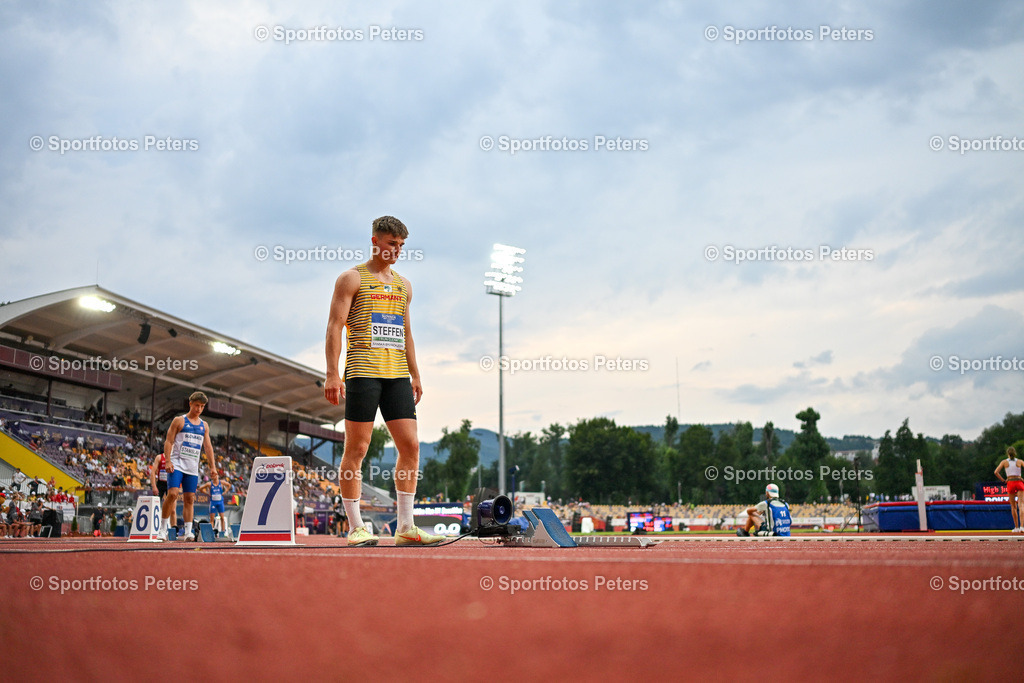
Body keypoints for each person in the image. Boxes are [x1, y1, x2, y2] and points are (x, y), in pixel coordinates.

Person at [324, 215, 443, 547]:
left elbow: (406, 332)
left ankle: (405, 525)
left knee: (411, 446)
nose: (397, 250)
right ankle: (356, 526)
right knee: (358, 448)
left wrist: (415, 373)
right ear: (375, 240)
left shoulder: (404, 285)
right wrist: (333, 373)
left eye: (402, 245)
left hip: (397, 376)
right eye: (392, 243)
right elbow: (334, 326)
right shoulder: (351, 279)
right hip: (362, 371)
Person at [157, 391, 219, 542]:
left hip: (192, 467)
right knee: (172, 494)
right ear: (190, 404)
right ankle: (162, 530)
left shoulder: (204, 426)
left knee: (190, 498)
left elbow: (208, 447)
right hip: (177, 463)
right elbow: (169, 441)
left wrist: (213, 467)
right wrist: (169, 461)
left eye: (202, 406)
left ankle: (188, 532)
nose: (199, 409)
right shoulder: (179, 421)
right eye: (197, 405)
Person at [994, 446, 1024, 533]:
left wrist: (1003, 480)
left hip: (1010, 482)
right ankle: (1022, 526)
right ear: (1015, 453)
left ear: (1008, 454)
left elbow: (996, 472)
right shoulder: (1019, 461)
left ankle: (1016, 527)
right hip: (1019, 482)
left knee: (1013, 506)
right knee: (1021, 505)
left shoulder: (1004, 462)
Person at [197, 475, 232, 540]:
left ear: (218, 476)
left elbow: (229, 485)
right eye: (213, 475)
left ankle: (223, 532)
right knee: (212, 519)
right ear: (212, 477)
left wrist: (225, 492)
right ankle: (211, 532)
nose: (215, 477)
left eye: (216, 475)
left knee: (222, 517)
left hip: (220, 502)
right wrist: (207, 493)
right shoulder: (209, 484)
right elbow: (200, 489)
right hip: (213, 502)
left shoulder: (221, 482)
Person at [150, 450, 175, 530]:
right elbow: (153, 472)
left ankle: (174, 529)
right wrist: (154, 486)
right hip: (160, 484)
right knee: (155, 507)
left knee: (173, 510)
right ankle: (153, 528)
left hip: (170, 484)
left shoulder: (174, 457)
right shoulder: (159, 457)